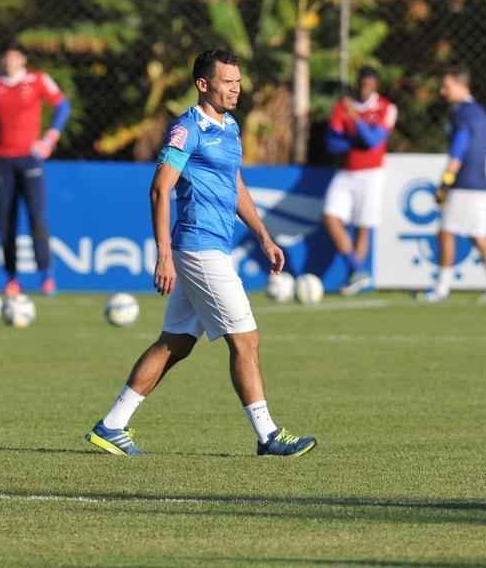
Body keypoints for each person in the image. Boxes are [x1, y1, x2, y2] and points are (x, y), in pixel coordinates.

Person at [85, 49, 317, 458]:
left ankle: (112, 425)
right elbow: (160, 188)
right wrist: (164, 255)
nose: (236, 89)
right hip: (198, 248)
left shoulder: (229, 127)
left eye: (238, 81)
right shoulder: (187, 129)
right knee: (246, 340)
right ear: (203, 85)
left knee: (175, 342)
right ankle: (268, 435)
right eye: (227, 82)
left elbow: (235, 185)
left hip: (215, 247)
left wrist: (263, 234)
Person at [0, 42, 70, 297]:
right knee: (5, 221)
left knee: (36, 217)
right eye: (4, 57)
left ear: (22, 60)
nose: (8, 62)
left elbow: (62, 107)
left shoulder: (38, 80)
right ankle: (11, 278)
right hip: (1, 160)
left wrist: (49, 139)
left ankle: (46, 275)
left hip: (31, 159)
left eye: (13, 58)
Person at [419, 66, 486, 303]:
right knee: (479, 236)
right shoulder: (480, 113)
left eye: (447, 86)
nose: (443, 92)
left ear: (460, 85)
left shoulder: (462, 114)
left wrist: (445, 184)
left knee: (446, 233)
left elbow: (459, 150)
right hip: (480, 183)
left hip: (464, 184)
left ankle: (442, 288)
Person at [323, 66, 397, 295]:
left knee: (363, 226)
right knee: (330, 216)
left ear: (375, 86)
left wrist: (355, 121)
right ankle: (359, 269)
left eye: (369, 85)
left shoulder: (386, 108)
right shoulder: (342, 106)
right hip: (346, 171)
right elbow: (332, 143)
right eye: (362, 84)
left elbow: (374, 140)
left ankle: (354, 278)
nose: (365, 89)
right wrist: (355, 143)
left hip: (372, 173)